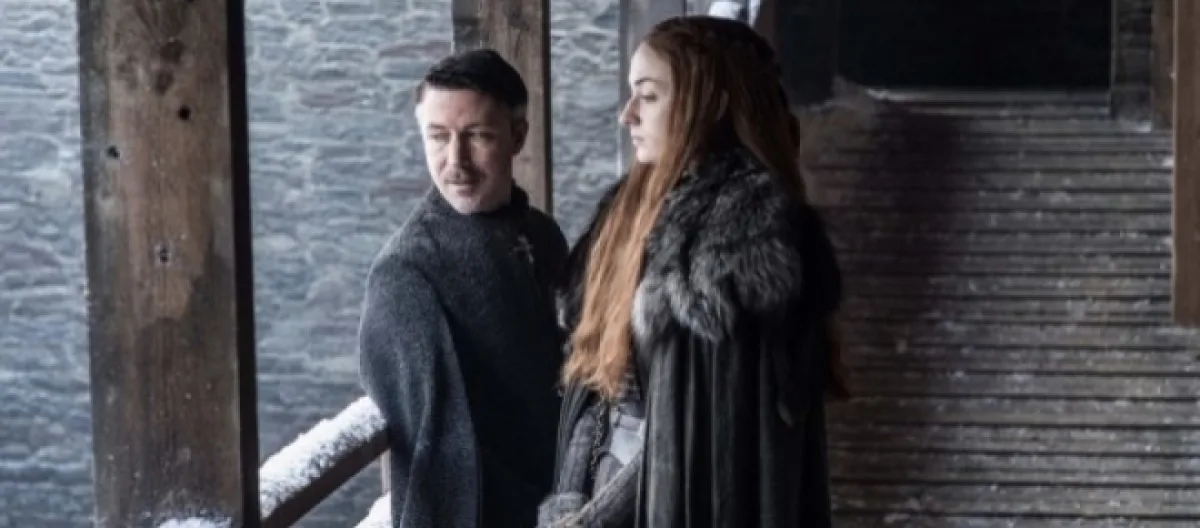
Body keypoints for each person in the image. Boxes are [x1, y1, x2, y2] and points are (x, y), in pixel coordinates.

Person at [538, 15, 848, 527]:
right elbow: (600, 392)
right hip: (599, 494)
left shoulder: (742, 236)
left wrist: (590, 522)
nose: (627, 114)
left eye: (649, 96)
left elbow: (701, 443)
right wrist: (569, 505)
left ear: (712, 103)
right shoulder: (625, 211)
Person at [358, 48, 568, 527]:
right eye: (438, 137)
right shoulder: (406, 275)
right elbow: (441, 466)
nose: (456, 161)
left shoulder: (542, 235)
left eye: (477, 135)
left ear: (518, 136)